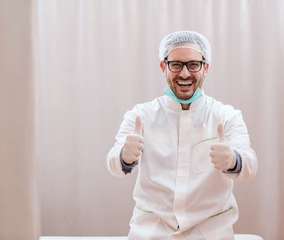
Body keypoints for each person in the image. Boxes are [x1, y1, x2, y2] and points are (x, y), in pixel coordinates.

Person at [107, 30, 258, 239]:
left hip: (210, 231)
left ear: (206, 68)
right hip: (152, 230)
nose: (184, 74)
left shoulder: (226, 116)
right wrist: (124, 156)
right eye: (176, 64)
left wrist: (234, 160)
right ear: (163, 67)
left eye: (193, 64)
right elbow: (113, 163)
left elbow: (250, 166)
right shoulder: (141, 116)